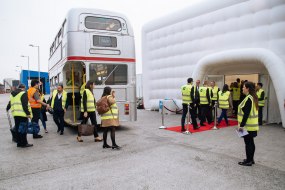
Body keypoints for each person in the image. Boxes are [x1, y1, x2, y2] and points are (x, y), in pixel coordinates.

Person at [237, 82, 259, 166]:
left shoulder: (249, 98)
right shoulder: (253, 97)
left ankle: (248, 161)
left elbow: (246, 114)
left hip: (247, 126)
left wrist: (241, 126)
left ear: (248, 88)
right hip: (252, 125)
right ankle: (251, 159)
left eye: (243, 87)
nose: (242, 88)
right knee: (251, 142)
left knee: (248, 143)